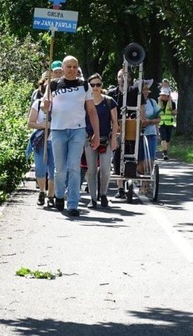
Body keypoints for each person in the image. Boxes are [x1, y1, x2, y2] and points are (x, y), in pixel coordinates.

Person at [44, 56, 100, 217]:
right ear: (62, 68)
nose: (72, 69)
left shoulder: (84, 85)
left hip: (78, 130)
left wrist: (96, 133)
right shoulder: (54, 84)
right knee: (60, 169)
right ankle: (59, 195)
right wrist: (44, 105)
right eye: (69, 66)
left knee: (74, 167)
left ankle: (73, 204)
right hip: (58, 130)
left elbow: (91, 111)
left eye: (75, 67)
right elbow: (44, 105)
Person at [83, 73, 118, 208]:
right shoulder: (85, 103)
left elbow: (115, 122)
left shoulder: (109, 101)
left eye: (98, 85)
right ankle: (92, 198)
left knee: (105, 169)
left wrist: (114, 138)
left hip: (106, 140)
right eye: (92, 85)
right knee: (91, 170)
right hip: (89, 140)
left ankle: (103, 194)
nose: (95, 88)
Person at [107, 67, 140, 199]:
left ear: (130, 78)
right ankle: (120, 187)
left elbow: (141, 109)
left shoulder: (135, 92)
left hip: (132, 128)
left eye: (125, 76)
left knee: (132, 154)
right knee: (117, 156)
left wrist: (138, 120)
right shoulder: (112, 93)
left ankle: (131, 178)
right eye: (120, 76)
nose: (122, 79)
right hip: (117, 128)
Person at [27, 73, 55, 207]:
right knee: (40, 169)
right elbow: (30, 123)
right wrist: (44, 126)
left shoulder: (59, 105)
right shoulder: (37, 104)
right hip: (40, 142)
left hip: (55, 141)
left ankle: (51, 195)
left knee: (54, 169)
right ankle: (42, 192)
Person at [137, 80, 160, 180]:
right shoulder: (135, 102)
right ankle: (141, 180)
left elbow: (159, 118)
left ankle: (146, 183)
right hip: (138, 135)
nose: (146, 91)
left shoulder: (152, 102)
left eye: (147, 89)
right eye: (144, 89)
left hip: (151, 134)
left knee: (149, 160)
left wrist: (150, 121)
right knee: (140, 160)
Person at [157, 81, 177, 160]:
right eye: (162, 95)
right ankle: (164, 152)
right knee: (163, 138)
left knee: (168, 139)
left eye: (165, 95)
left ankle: (166, 151)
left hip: (169, 123)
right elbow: (156, 112)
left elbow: (175, 112)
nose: (163, 96)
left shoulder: (172, 103)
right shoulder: (158, 102)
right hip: (161, 123)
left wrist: (171, 110)